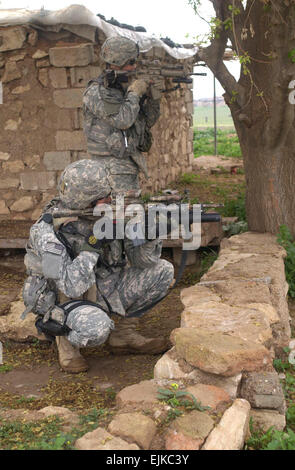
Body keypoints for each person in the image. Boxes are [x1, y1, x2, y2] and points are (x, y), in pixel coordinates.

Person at [22, 159, 174, 373]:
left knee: (162, 271)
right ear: (87, 200)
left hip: (102, 288)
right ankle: (67, 346)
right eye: (105, 197)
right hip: (66, 299)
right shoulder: (48, 232)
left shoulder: (109, 214)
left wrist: (148, 235)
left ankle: (123, 337)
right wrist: (92, 244)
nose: (110, 200)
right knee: (97, 328)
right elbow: (70, 286)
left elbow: (143, 262)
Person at [82, 36, 162, 192]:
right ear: (116, 62)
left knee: (129, 213)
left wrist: (154, 98)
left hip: (126, 166)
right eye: (131, 63)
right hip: (109, 169)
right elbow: (122, 120)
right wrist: (134, 93)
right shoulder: (96, 92)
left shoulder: (120, 91)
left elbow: (145, 122)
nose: (134, 67)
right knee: (121, 214)